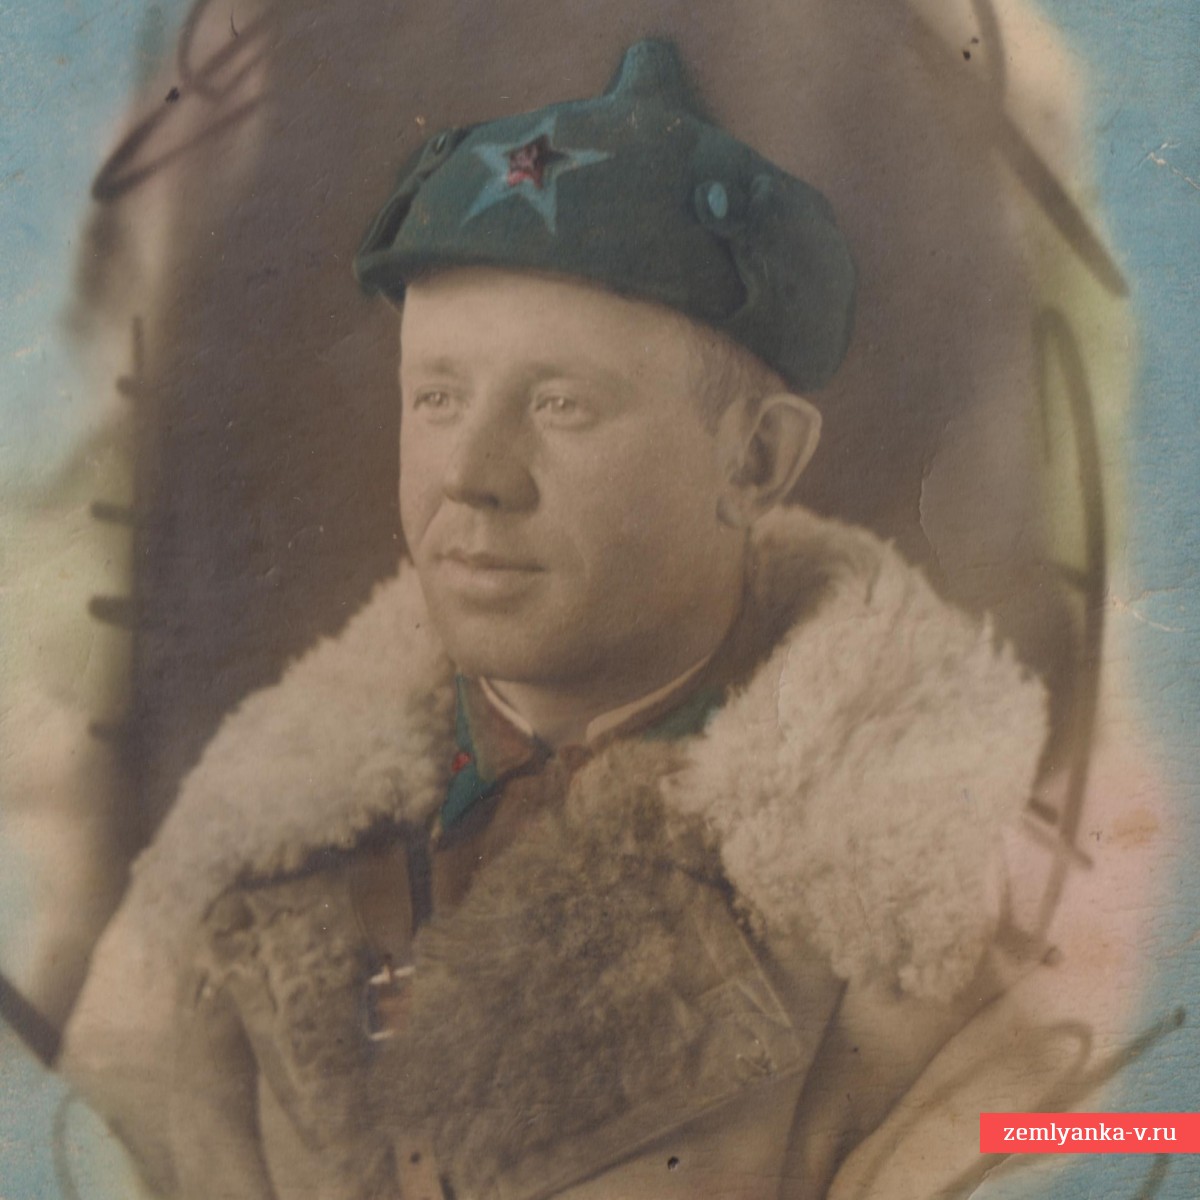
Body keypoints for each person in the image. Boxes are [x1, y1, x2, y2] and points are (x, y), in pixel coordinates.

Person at [60, 39, 1047, 1200]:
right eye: (438, 397)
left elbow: (1137, 1136)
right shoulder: (243, 857)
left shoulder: (937, 902)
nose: (470, 475)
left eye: (563, 405)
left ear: (756, 461)